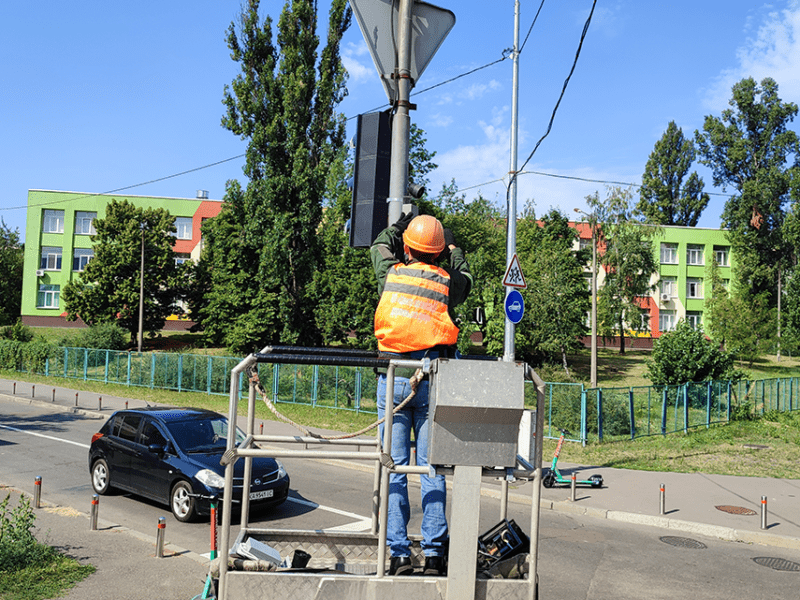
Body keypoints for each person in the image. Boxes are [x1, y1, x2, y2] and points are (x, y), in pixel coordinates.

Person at [370, 212, 473, 576]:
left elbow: (379, 246)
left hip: (395, 376)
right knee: (433, 468)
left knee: (394, 468)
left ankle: (398, 555)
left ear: (409, 248)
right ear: (440, 251)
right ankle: (433, 555)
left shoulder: (392, 273)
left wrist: (398, 224)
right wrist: (456, 251)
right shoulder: (448, 282)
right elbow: (467, 278)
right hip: (433, 379)